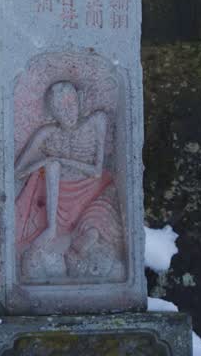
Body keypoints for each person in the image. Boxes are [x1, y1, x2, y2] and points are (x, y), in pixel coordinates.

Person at [14, 81, 121, 281]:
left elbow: (97, 171)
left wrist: (62, 160)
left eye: (71, 104)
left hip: (90, 188)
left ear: (79, 101)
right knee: (51, 168)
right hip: (57, 194)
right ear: (52, 112)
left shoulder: (97, 120)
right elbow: (18, 172)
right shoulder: (47, 133)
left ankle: (86, 247)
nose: (68, 112)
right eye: (60, 109)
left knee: (105, 205)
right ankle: (52, 229)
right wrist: (45, 162)